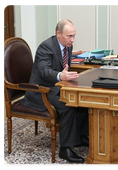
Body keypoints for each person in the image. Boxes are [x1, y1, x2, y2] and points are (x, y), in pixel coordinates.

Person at [20, 20, 89, 163]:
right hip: (41, 91)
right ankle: (65, 149)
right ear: (58, 34)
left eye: (74, 36)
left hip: (56, 87)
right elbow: (44, 71)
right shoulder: (45, 47)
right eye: (69, 36)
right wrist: (60, 75)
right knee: (68, 105)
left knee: (83, 100)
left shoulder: (67, 45)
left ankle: (80, 137)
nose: (72, 40)